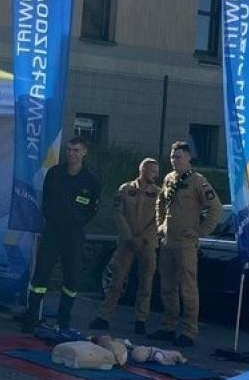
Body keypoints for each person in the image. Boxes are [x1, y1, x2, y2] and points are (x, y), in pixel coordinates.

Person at [21, 137, 101, 332]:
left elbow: (92, 208)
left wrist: (78, 220)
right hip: (52, 230)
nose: (71, 154)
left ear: (84, 153)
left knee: (72, 276)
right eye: (69, 150)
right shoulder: (55, 173)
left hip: (73, 233)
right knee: (41, 273)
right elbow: (46, 199)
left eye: (76, 150)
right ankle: (31, 318)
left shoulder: (90, 180)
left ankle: (63, 320)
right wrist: (52, 215)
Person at [154, 141, 222, 348]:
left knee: (188, 288)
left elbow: (215, 207)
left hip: (185, 243)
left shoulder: (197, 181)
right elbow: (161, 202)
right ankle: (168, 326)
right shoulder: (168, 179)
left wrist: (200, 231)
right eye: (173, 157)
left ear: (188, 158)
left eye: (179, 157)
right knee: (167, 287)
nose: (175, 161)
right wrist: (160, 224)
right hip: (168, 241)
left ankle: (189, 331)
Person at [89, 157, 161, 335]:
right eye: (152, 170)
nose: (155, 175)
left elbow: (159, 219)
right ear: (142, 170)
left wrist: (143, 238)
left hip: (147, 243)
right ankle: (104, 316)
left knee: (146, 282)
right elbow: (117, 214)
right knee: (116, 280)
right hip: (126, 243)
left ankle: (141, 319)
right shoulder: (125, 189)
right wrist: (129, 237)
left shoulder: (160, 193)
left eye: (157, 171)